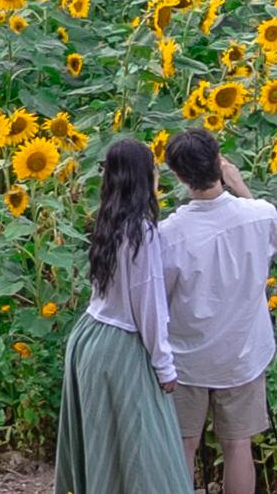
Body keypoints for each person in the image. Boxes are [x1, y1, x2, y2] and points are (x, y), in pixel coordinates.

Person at [153, 126, 277, 494]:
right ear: (218, 162)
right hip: (243, 354)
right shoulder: (259, 216)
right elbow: (276, 231)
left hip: (186, 360)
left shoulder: (170, 234)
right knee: (238, 445)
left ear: (179, 176)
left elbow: (159, 298)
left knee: (182, 444)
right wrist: (239, 185)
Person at [51, 136, 187, 494]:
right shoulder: (142, 231)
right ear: (145, 177)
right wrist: (165, 366)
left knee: (102, 446)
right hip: (120, 347)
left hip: (89, 338)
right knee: (144, 451)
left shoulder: (108, 220)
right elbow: (149, 304)